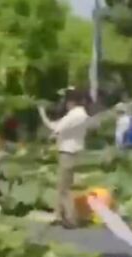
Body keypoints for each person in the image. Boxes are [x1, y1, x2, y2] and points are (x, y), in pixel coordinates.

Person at [39, 90, 110, 227]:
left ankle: (71, 218)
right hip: (73, 152)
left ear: (71, 102)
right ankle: (59, 215)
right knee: (61, 187)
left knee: (64, 188)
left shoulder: (74, 115)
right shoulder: (82, 115)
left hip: (67, 152)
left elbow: (56, 127)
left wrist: (42, 114)